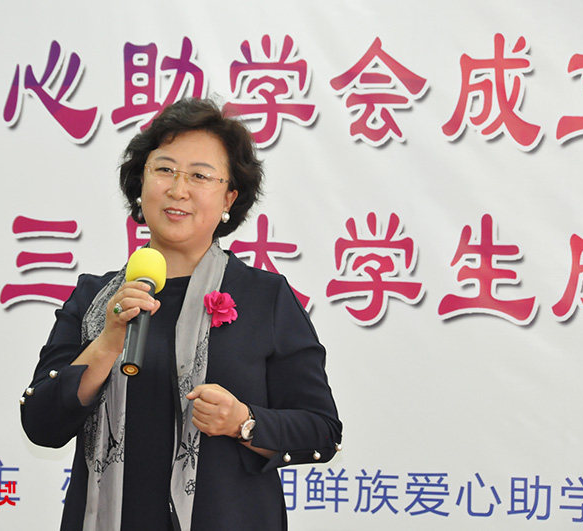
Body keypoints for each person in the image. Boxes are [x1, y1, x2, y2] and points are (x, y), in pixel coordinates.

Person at [20, 97, 342, 531]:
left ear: (230, 197)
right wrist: (107, 342)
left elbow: (322, 431)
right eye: (165, 169)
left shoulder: (265, 297)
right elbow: (40, 425)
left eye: (200, 176)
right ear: (141, 182)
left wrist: (244, 422)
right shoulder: (95, 299)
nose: (178, 189)